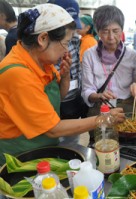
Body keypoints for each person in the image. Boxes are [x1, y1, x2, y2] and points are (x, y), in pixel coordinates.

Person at [0, 4, 124, 166]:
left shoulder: (41, 62)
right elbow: (53, 129)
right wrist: (105, 119)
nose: (66, 50)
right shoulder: (18, 74)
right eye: (65, 43)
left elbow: (58, 96)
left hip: (42, 148)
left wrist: (65, 77)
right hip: (20, 156)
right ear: (43, 39)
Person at [81, 5, 136, 146]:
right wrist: (99, 95)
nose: (111, 37)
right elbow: (87, 90)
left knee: (127, 146)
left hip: (125, 109)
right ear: (97, 31)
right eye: (105, 31)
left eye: (115, 31)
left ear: (122, 30)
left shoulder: (132, 56)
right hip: (100, 109)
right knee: (100, 145)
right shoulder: (89, 55)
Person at [48, 0, 88, 145]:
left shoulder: (76, 40)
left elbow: (75, 69)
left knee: (71, 142)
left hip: (73, 97)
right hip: (55, 104)